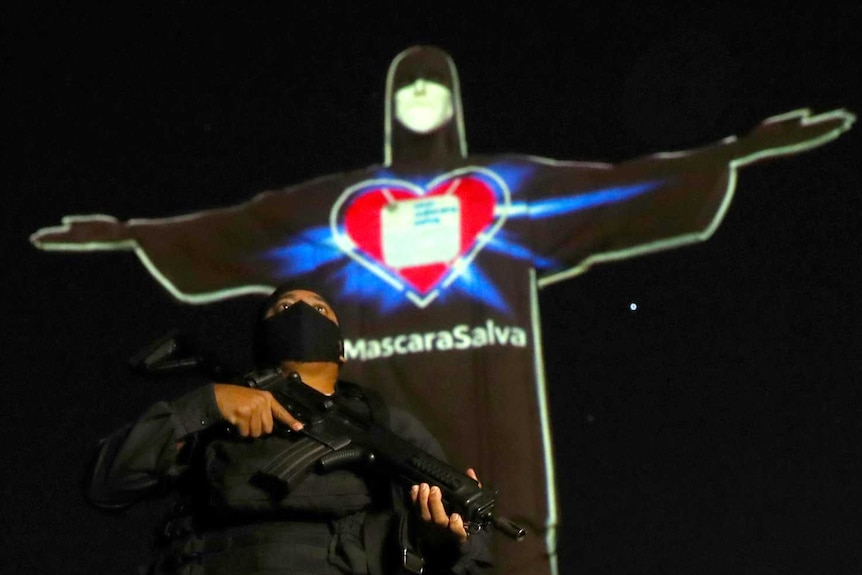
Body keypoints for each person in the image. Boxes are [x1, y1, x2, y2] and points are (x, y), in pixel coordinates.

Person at [86, 285, 493, 574]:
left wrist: (441, 545)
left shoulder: (383, 422)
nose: (300, 311)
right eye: (284, 307)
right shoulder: (217, 413)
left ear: (340, 349)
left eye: (319, 308)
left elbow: (464, 549)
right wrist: (206, 405)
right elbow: (106, 483)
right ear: (262, 340)